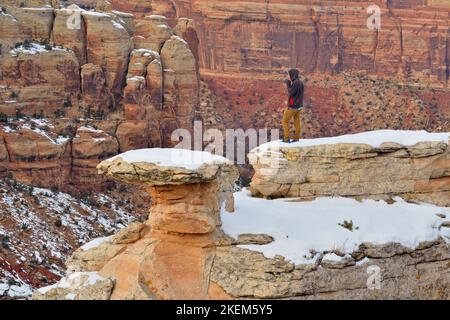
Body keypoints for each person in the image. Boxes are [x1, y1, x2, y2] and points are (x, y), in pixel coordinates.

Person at [282, 68, 304, 143]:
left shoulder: (296, 82)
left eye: (289, 74)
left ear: (292, 74)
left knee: (285, 121)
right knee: (296, 121)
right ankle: (297, 138)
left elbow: (291, 92)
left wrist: (288, 83)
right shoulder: (300, 82)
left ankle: (286, 138)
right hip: (299, 106)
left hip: (293, 107)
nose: (288, 76)